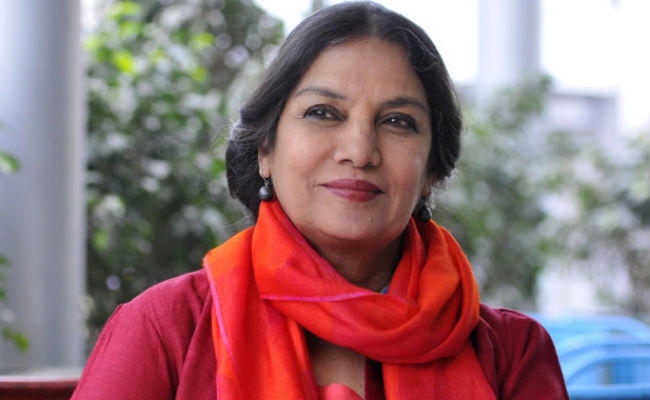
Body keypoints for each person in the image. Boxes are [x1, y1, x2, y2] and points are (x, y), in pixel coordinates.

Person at [71, 2, 568, 399]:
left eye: (398, 122)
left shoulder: (511, 353)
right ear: (266, 149)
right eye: (323, 112)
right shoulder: (165, 329)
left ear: (431, 172)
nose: (359, 151)